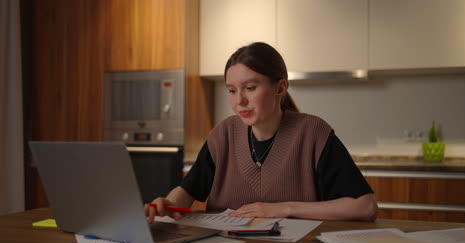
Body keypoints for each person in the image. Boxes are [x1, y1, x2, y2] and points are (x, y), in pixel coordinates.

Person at [145, 42, 377, 223]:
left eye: (250, 88)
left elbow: (364, 206)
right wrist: (167, 203)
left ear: (280, 88)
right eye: (232, 91)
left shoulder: (313, 133)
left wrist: (284, 208)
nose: (240, 101)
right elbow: (187, 192)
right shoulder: (222, 135)